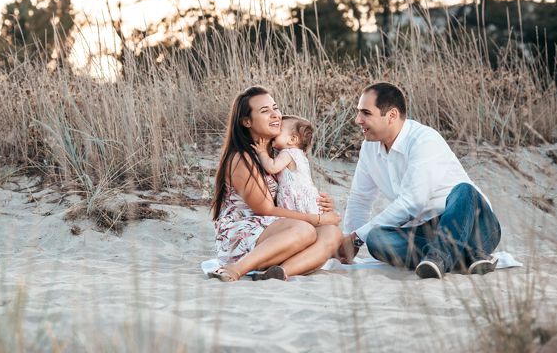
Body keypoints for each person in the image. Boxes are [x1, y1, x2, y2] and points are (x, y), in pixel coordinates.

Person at [338, 82, 502, 279]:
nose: (357, 120)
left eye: (366, 113)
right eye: (358, 112)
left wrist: (357, 238)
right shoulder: (369, 148)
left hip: (473, 224)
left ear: (391, 116)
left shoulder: (424, 140)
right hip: (427, 230)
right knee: (376, 239)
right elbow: (360, 198)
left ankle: (440, 256)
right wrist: (350, 242)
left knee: (464, 190)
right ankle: (465, 257)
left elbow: (413, 203)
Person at [210, 86, 342, 282]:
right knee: (305, 230)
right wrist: (318, 219)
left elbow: (292, 193)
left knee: (333, 234)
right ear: (246, 121)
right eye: (265, 111)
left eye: (275, 108)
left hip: (273, 228)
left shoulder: (277, 154)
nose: (275, 115)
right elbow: (266, 210)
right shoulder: (241, 158)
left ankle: (279, 272)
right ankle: (236, 268)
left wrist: (320, 206)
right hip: (244, 230)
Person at [253, 115, 322, 215]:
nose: (275, 133)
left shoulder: (288, 153)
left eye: (279, 130)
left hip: (296, 199)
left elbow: (272, 167)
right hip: (307, 198)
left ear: (292, 140)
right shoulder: (300, 155)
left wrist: (262, 152)